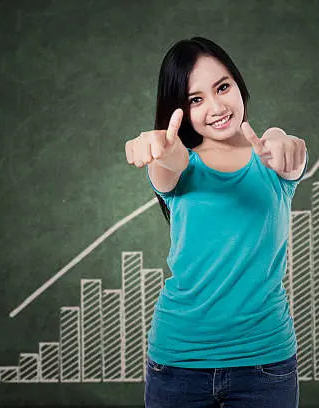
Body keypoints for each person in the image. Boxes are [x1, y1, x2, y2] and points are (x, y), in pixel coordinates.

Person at [124, 36, 308, 408]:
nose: (217, 105)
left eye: (222, 87)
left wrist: (285, 140)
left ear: (238, 84)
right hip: (178, 365)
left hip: (265, 364)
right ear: (179, 108)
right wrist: (159, 147)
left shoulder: (272, 158)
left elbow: (287, 150)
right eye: (196, 99)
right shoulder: (180, 166)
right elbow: (166, 165)